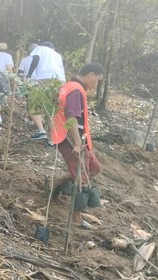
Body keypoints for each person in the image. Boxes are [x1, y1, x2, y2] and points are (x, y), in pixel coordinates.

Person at [49, 63, 104, 227]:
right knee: (82, 177)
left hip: (75, 138)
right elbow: (72, 117)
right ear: (91, 75)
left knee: (94, 168)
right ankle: (76, 218)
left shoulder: (69, 87)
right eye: (98, 81)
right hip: (69, 138)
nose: (96, 85)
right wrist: (78, 142)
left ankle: (56, 182)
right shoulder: (75, 90)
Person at [25, 41, 66, 141]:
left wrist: (29, 75)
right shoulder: (57, 55)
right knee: (52, 108)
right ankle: (53, 138)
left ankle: (42, 131)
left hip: (45, 76)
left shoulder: (40, 49)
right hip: (60, 80)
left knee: (33, 104)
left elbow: (36, 59)